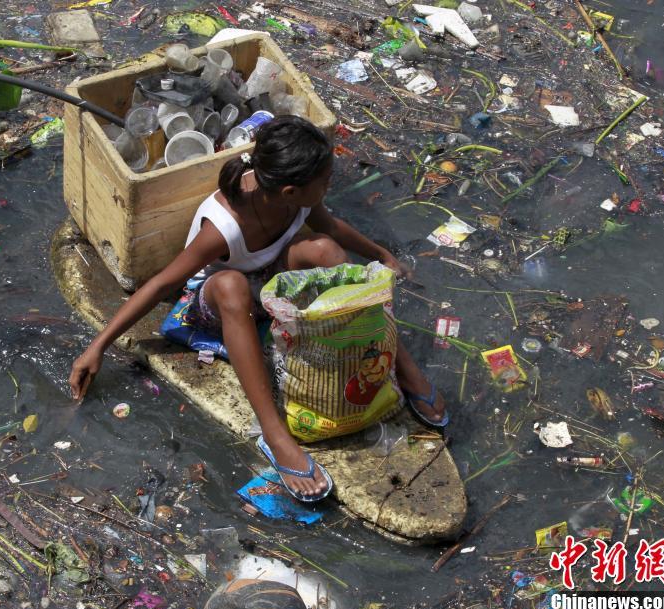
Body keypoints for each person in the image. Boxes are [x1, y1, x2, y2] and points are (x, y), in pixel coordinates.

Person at [69, 116, 446, 501]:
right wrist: (97, 346)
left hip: (268, 282)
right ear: (288, 191)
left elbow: (330, 228)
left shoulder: (300, 201)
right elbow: (163, 283)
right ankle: (274, 433)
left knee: (326, 252)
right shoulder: (223, 227)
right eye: (325, 181)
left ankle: (403, 367)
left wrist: (381, 256)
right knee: (232, 285)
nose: (328, 187)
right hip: (219, 303)